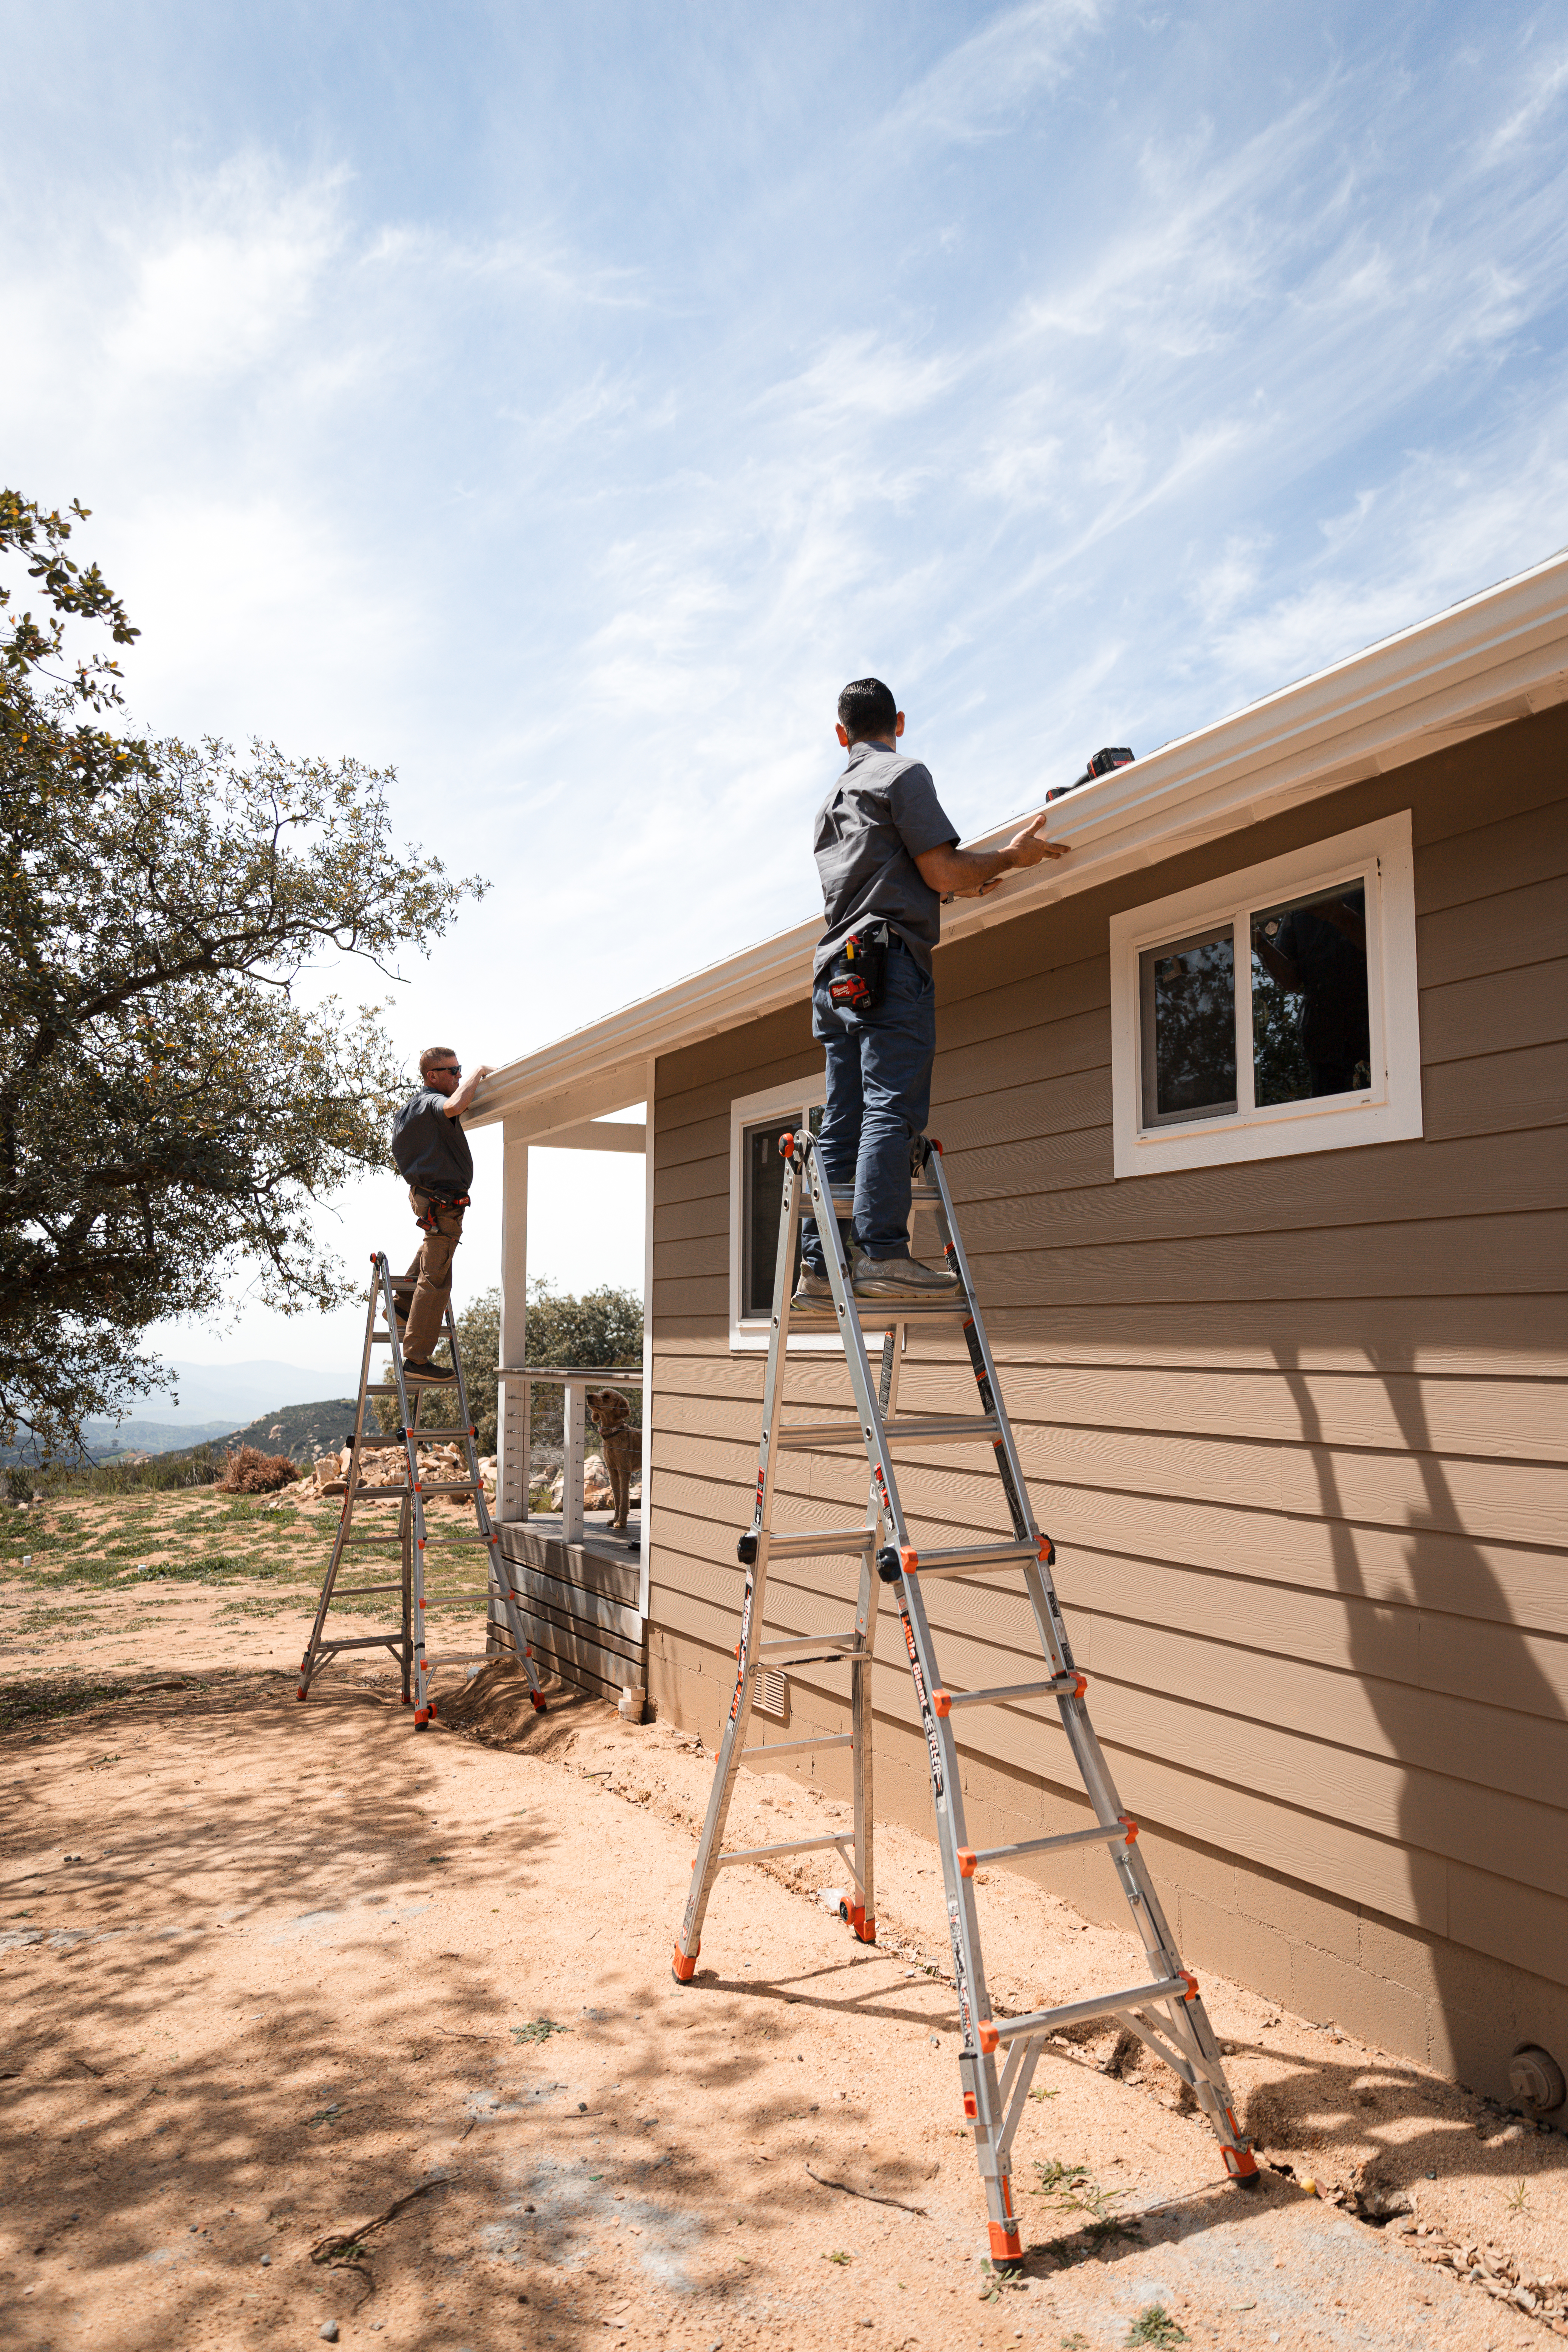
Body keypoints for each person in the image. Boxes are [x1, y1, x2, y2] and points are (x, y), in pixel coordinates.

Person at [796, 678, 1069, 1306]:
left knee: (843, 1115)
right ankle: (883, 1254)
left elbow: (899, 877)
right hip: (888, 962)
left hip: (836, 970)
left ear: (841, 734)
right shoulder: (901, 773)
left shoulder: (830, 803)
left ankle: (820, 1264)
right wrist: (1008, 859)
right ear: (898, 719)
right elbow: (940, 869)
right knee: (890, 1106)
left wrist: (960, 885)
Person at [390, 1046, 493, 1382]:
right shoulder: (432, 1102)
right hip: (442, 1203)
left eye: (461, 1070)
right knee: (436, 1280)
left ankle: (403, 1304)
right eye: (453, 1071)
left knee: (433, 1251)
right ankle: (416, 1359)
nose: (459, 1075)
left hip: (429, 1198)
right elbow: (454, 1105)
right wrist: (479, 1072)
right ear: (432, 1077)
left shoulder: (408, 1111)